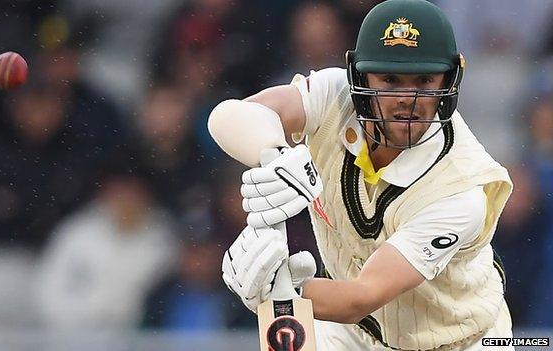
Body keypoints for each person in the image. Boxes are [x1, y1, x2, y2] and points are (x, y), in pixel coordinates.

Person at [207, 0, 514, 350]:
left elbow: (360, 297)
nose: (408, 101)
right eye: (390, 79)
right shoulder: (333, 96)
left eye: (425, 80)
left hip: (457, 340)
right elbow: (228, 115)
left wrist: (277, 291)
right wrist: (276, 155)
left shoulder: (460, 190)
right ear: (359, 76)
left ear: (449, 79)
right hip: (353, 332)